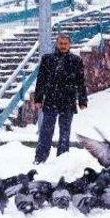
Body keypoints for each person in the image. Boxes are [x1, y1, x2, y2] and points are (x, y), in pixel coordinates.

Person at [33, 33, 88, 164]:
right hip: (51, 99)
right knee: (46, 131)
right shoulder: (47, 59)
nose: (63, 46)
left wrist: (82, 100)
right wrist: (38, 99)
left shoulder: (76, 60)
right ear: (56, 44)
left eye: (65, 44)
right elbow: (41, 80)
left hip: (68, 101)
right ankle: (40, 158)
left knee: (65, 132)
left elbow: (81, 82)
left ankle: (62, 160)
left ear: (69, 45)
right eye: (60, 44)